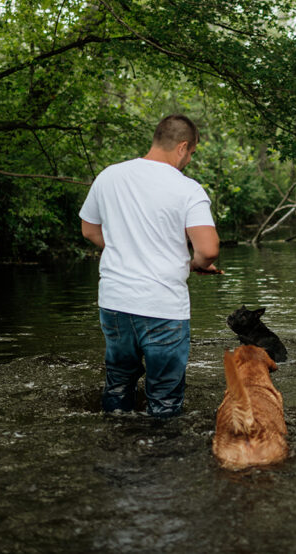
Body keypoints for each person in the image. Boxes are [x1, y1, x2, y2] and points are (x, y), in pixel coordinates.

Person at [79, 114, 220, 417]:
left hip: (115, 303)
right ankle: (159, 457)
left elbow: (89, 230)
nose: (190, 160)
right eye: (192, 153)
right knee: (165, 396)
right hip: (162, 306)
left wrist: (124, 248)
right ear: (183, 147)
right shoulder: (188, 189)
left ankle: (115, 445)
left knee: (118, 383)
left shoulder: (109, 176)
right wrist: (193, 262)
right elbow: (208, 249)